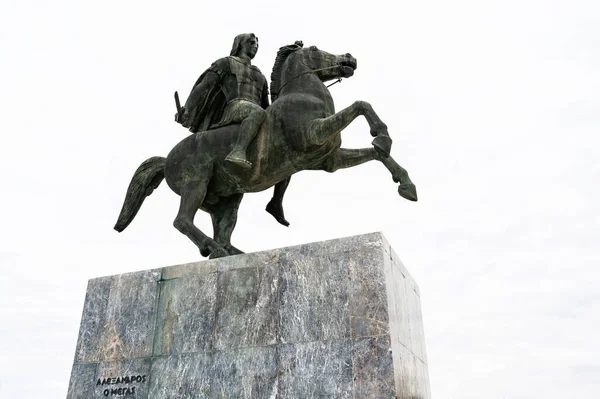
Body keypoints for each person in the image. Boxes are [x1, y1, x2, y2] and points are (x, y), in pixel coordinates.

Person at [175, 33, 291, 226]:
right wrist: (187, 111)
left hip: (255, 112)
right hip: (235, 107)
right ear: (239, 44)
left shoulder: (260, 75)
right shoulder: (225, 63)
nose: (255, 46)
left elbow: (266, 106)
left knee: (286, 142)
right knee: (257, 113)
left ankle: (276, 201)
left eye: (257, 44)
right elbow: (203, 87)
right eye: (251, 42)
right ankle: (238, 150)